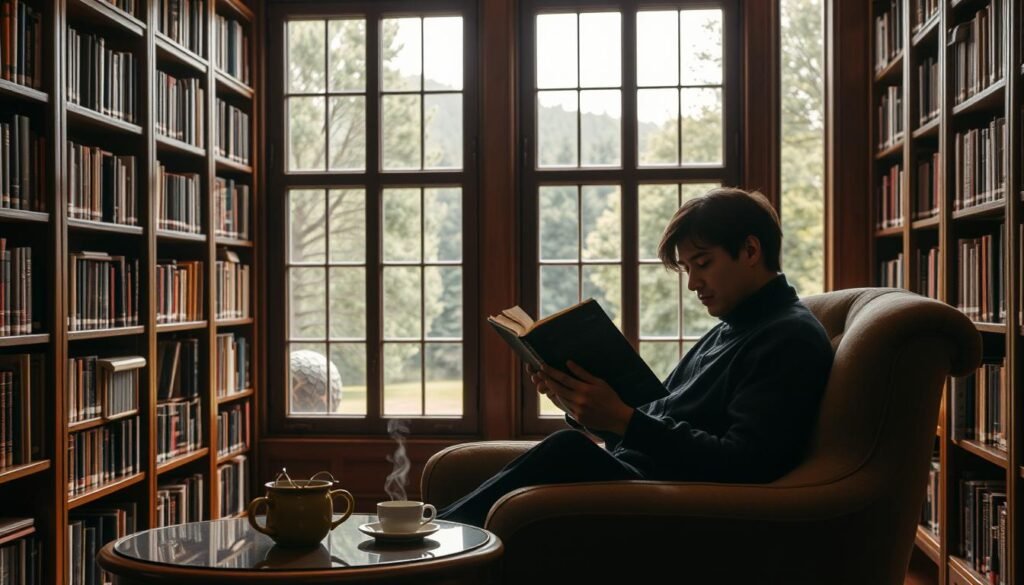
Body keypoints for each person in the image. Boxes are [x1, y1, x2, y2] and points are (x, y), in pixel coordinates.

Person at [436, 187, 834, 527]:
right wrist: (579, 402)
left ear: (750, 250)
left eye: (703, 264)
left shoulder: (788, 337)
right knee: (567, 446)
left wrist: (624, 420)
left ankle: (430, 542)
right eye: (688, 270)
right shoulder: (732, 327)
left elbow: (746, 463)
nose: (694, 284)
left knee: (567, 451)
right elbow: (660, 419)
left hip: (683, 504)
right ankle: (433, 537)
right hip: (649, 478)